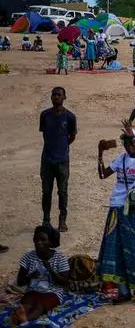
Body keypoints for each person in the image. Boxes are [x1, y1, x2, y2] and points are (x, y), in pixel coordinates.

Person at [96, 120, 135, 305]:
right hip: (116, 206)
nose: (128, 146)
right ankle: (123, 291)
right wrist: (100, 153)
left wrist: (131, 134)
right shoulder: (120, 159)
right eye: (126, 142)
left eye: (131, 142)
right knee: (115, 248)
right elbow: (103, 175)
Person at [11, 226, 69, 326]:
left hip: (52, 292)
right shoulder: (28, 257)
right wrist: (30, 276)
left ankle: (24, 319)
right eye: (36, 239)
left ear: (50, 242)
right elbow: (20, 282)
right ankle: (21, 315)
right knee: (27, 303)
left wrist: (51, 270)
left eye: (43, 240)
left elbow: (64, 282)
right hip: (33, 291)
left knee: (39, 306)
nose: (38, 242)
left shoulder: (60, 258)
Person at [40, 87, 77, 232]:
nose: (56, 97)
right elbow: (44, 134)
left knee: (62, 192)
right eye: (53, 95)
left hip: (62, 161)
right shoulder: (45, 115)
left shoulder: (70, 117)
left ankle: (62, 220)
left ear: (64, 97)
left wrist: (62, 147)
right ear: (51, 98)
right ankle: (46, 220)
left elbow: (72, 135)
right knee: (46, 192)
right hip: (47, 160)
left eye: (59, 95)